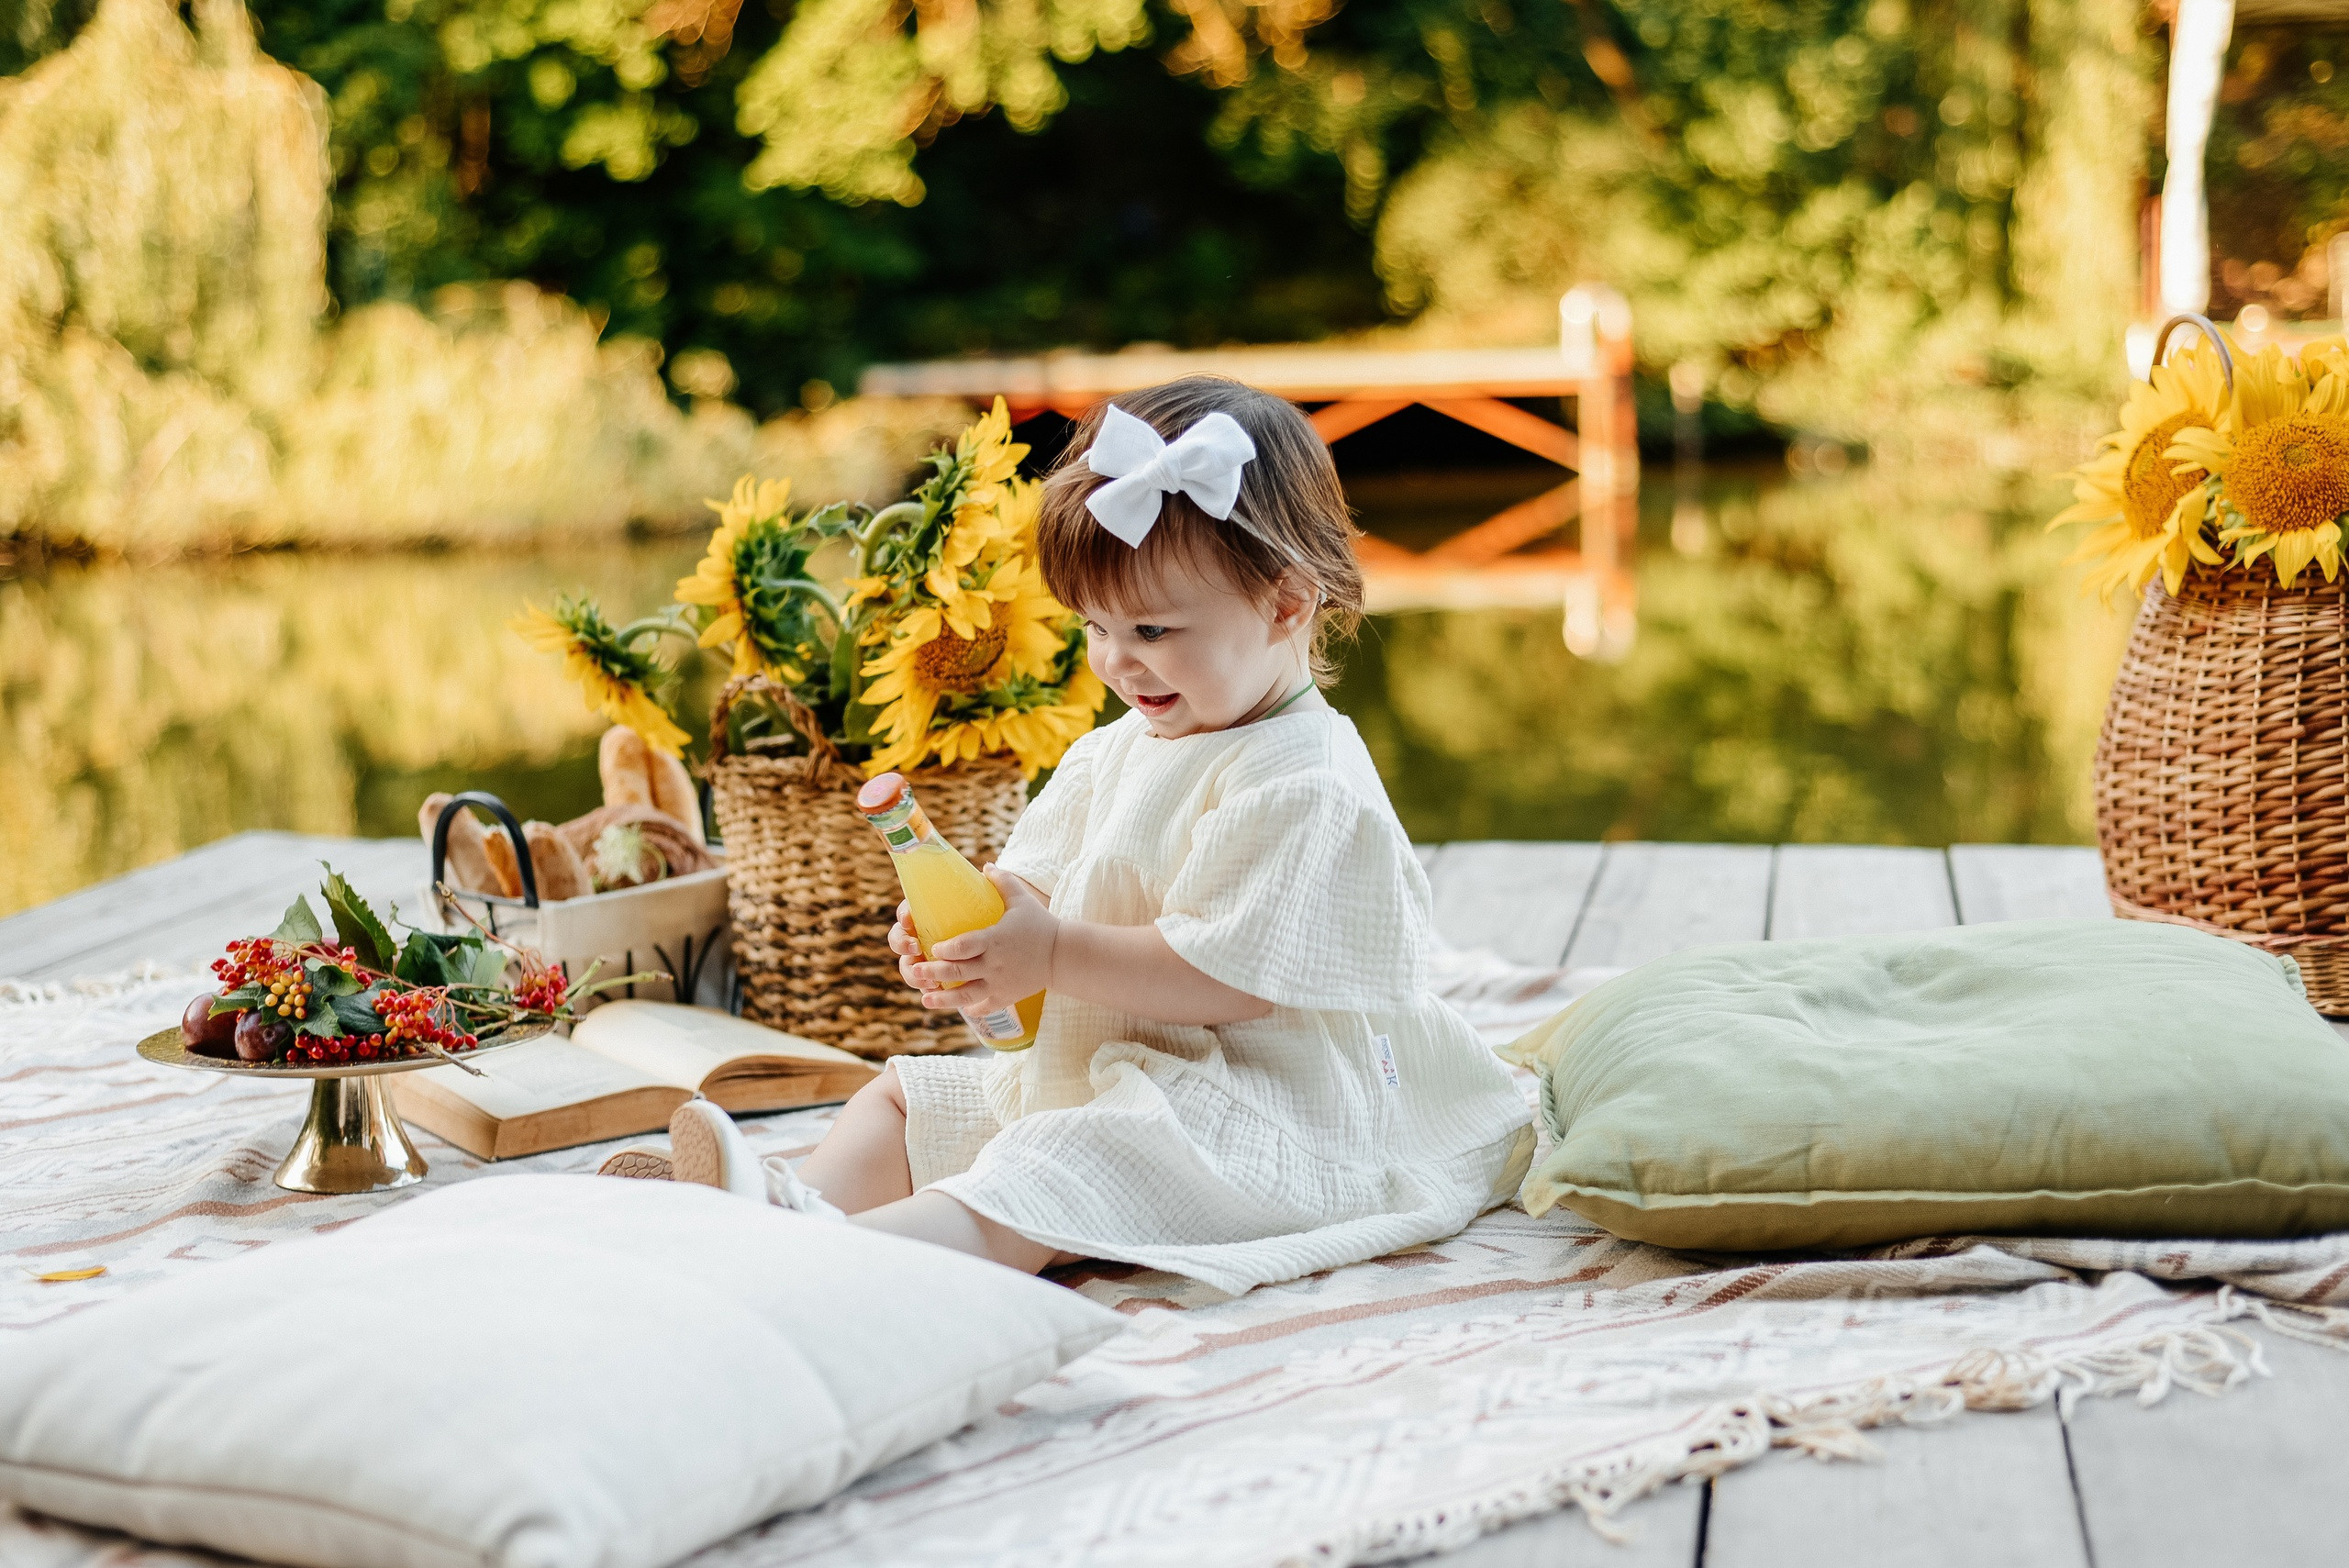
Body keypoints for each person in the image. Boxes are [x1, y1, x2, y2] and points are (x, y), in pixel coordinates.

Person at [609, 375, 1534, 1296]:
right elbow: (1036, 891)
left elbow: (1223, 979)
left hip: (1258, 1105)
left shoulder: (1301, 779)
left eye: (1151, 628)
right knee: (907, 1098)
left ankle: (801, 1269)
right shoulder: (1121, 748)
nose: (1115, 660)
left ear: (1288, 604)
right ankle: (773, 1208)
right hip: (1103, 1067)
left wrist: (1049, 951)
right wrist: (976, 941)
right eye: (1094, 625)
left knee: (1049, 1171)